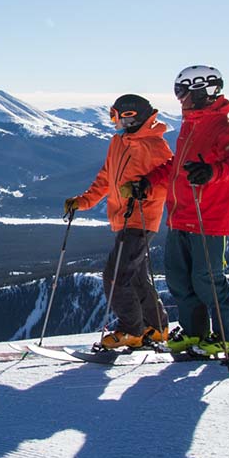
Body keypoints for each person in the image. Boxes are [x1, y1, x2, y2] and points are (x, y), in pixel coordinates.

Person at [140, 65, 229, 356]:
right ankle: (194, 333)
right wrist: (147, 182)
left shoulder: (226, 128)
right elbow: (177, 168)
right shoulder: (190, 126)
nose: (179, 99)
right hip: (179, 218)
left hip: (209, 220)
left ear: (201, 92)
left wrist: (211, 172)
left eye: (183, 92)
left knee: (208, 280)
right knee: (178, 279)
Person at [64, 94, 173, 349]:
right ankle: (157, 327)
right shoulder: (119, 142)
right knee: (134, 277)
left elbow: (168, 180)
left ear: (132, 116)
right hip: (124, 218)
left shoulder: (154, 146)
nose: (115, 122)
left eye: (117, 116)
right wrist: (84, 201)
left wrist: (141, 190)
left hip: (141, 219)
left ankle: (131, 330)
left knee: (115, 276)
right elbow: (106, 177)